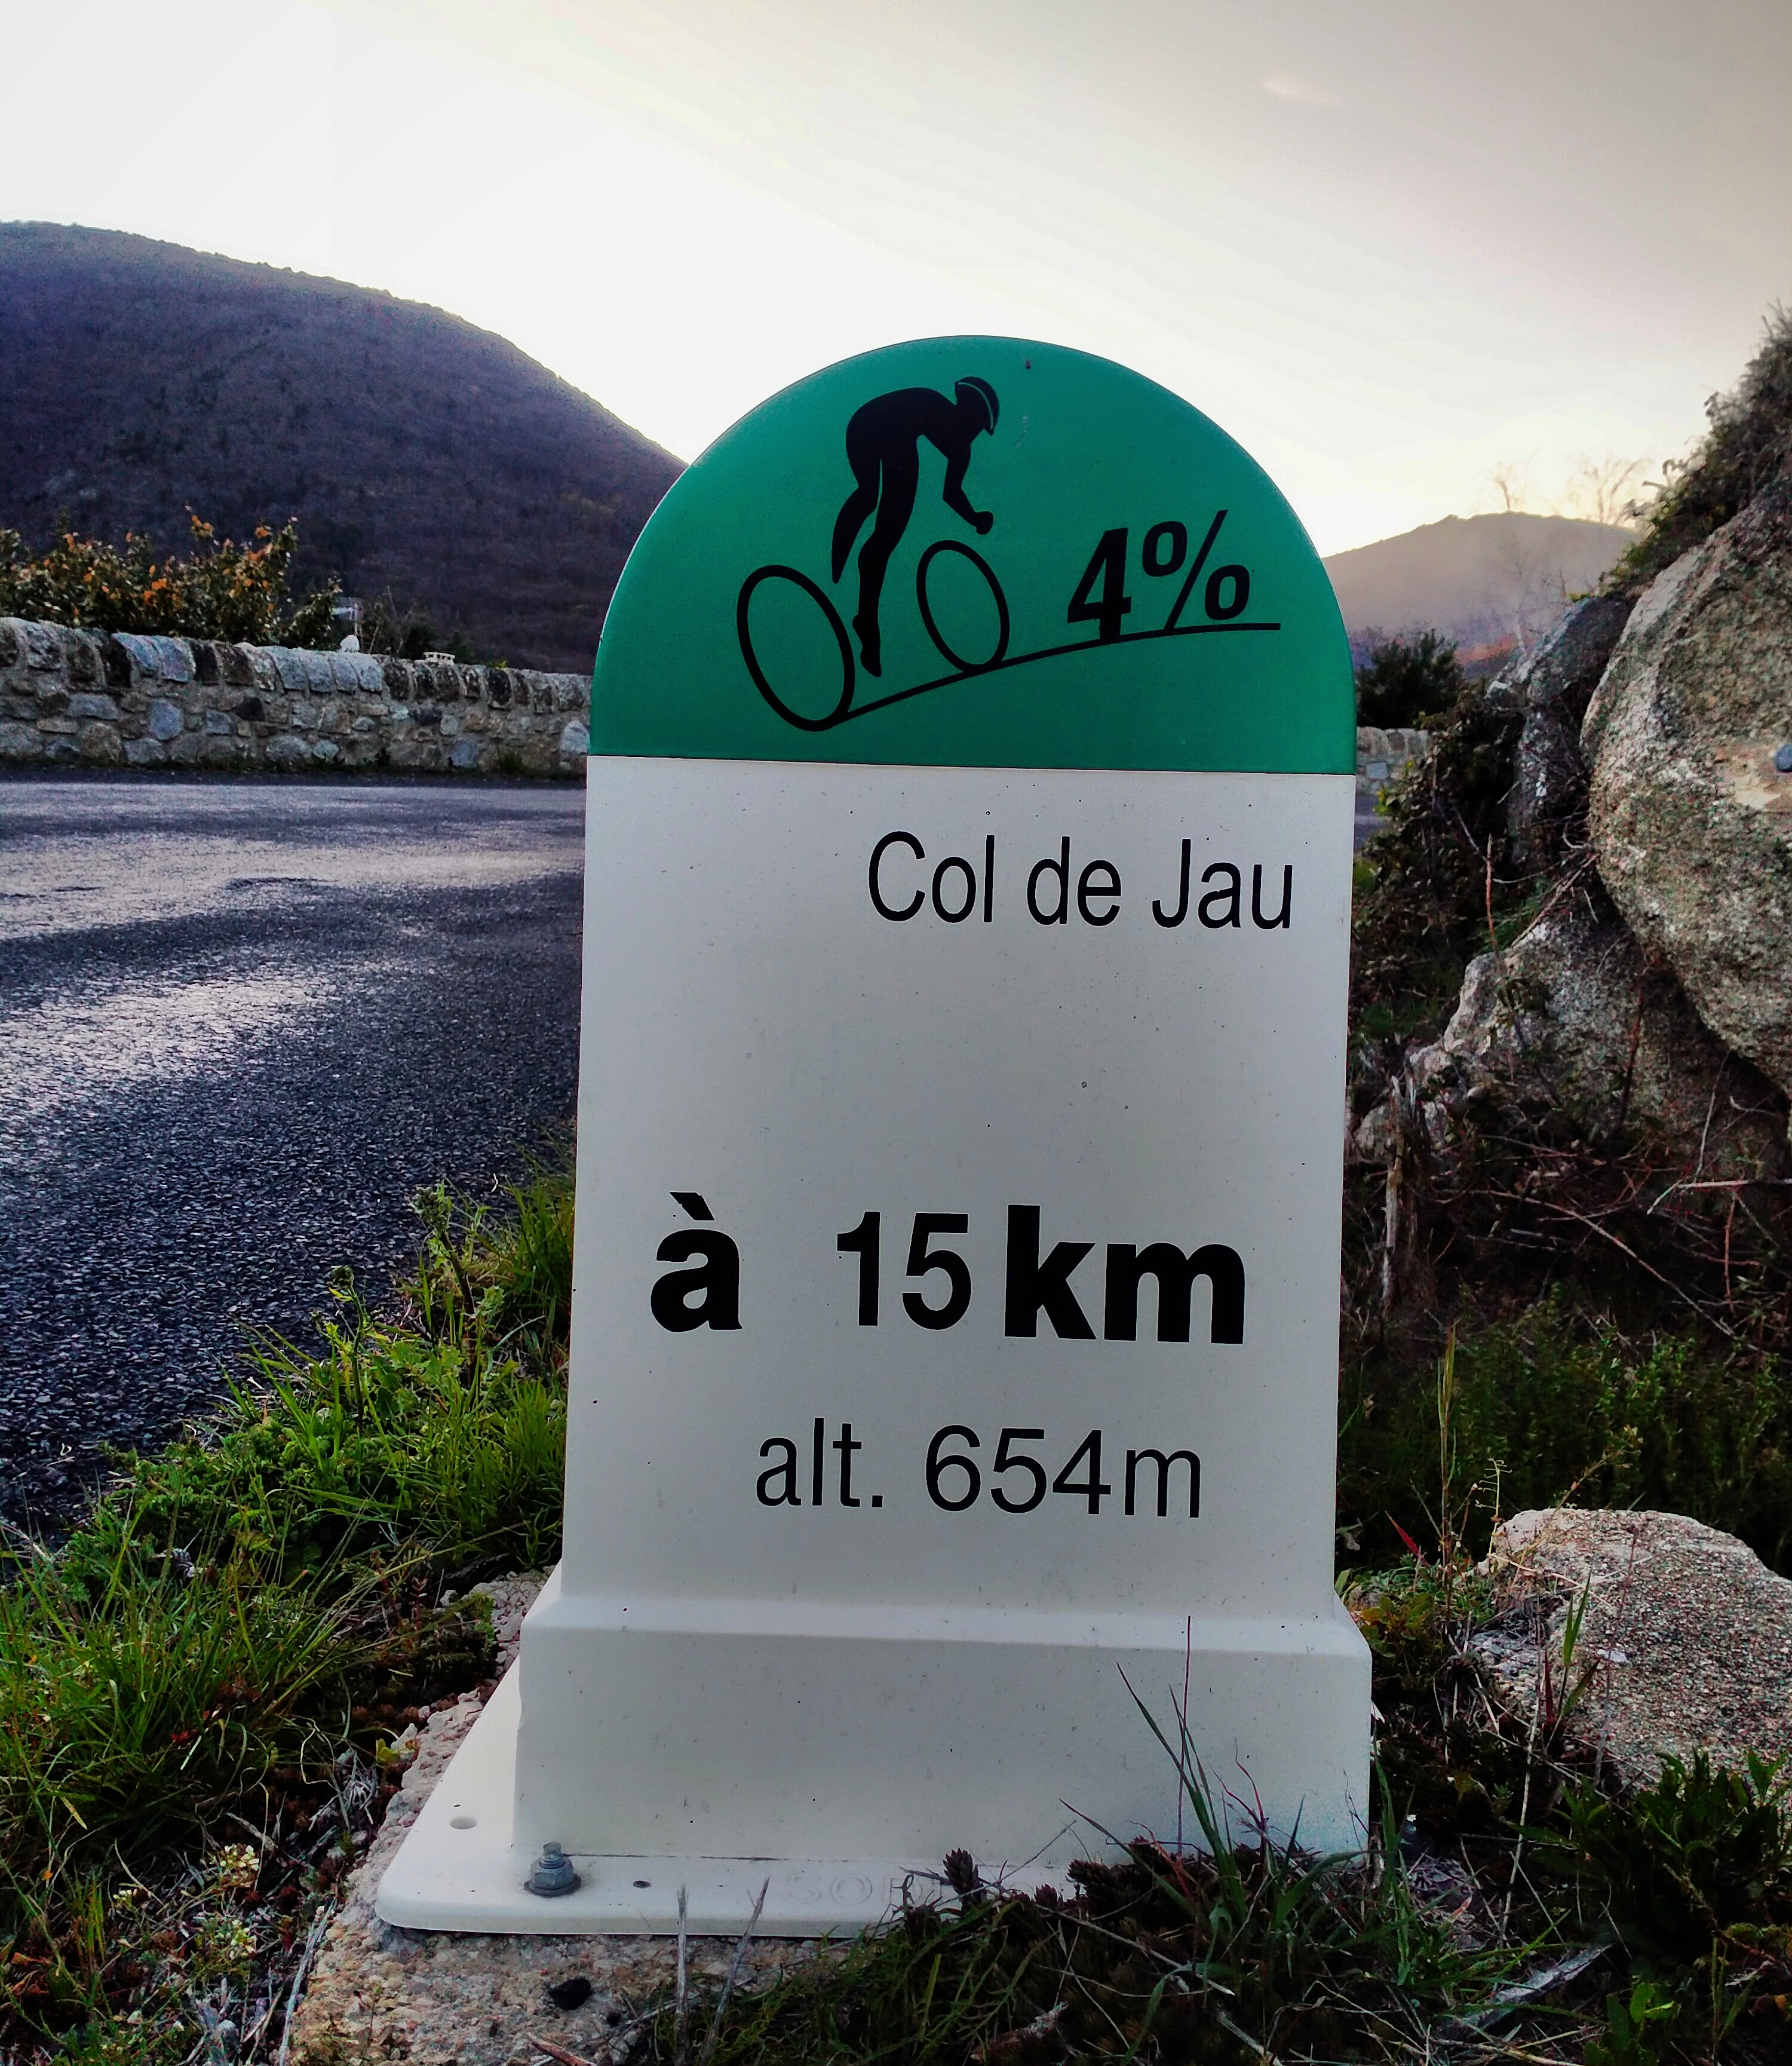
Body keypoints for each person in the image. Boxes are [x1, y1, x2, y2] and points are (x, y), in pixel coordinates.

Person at [829, 377, 999, 675]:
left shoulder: (961, 449)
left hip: (896, 440)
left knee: (883, 535)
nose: (971, 433)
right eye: (972, 421)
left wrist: (976, 518)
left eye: (978, 429)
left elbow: (952, 493)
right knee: (869, 499)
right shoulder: (929, 405)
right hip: (868, 426)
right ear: (962, 405)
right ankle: (846, 584)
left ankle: (866, 619)